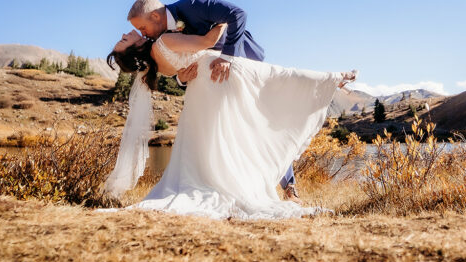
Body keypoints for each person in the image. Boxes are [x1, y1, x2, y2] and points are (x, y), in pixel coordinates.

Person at [102, 24, 357, 220]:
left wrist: (183, 74)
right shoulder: (161, 40)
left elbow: (180, 64)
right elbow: (189, 56)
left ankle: (329, 80)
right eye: (125, 38)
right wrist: (219, 27)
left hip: (213, 79)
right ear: (135, 48)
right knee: (270, 90)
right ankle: (330, 78)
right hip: (213, 79)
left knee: (242, 128)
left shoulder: (160, 39)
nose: (128, 31)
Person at [125, 0, 303, 200]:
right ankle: (241, 188)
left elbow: (238, 14)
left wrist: (228, 57)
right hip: (215, 84)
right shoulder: (160, 38)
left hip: (244, 63)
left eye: (143, 28)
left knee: (260, 124)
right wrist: (182, 79)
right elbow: (179, 64)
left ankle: (289, 186)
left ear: (155, 16)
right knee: (233, 134)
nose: (143, 33)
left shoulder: (194, 4)